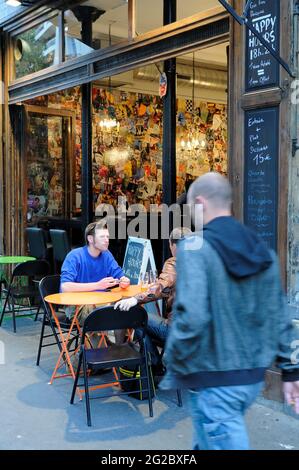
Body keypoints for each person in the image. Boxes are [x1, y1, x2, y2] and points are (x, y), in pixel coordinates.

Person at [160, 172, 299, 450]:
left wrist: (172, 360)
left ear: (200, 202)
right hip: (250, 375)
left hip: (213, 375)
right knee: (208, 439)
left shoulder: (195, 247)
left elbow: (192, 316)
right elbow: (279, 314)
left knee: (219, 436)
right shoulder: (260, 249)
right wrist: (291, 369)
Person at [114, 227, 191, 375]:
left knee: (137, 316)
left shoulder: (175, 262)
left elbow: (163, 284)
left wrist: (135, 299)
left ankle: (154, 365)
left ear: (172, 245)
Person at [61, 221, 130, 342]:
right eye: (102, 237)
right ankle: (98, 351)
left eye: (108, 236)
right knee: (97, 312)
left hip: (101, 302)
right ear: (90, 239)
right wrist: (98, 285)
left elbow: (120, 275)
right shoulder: (74, 256)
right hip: (77, 305)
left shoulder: (106, 254)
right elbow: (65, 286)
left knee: (125, 305)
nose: (107, 240)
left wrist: (125, 280)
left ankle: (119, 348)